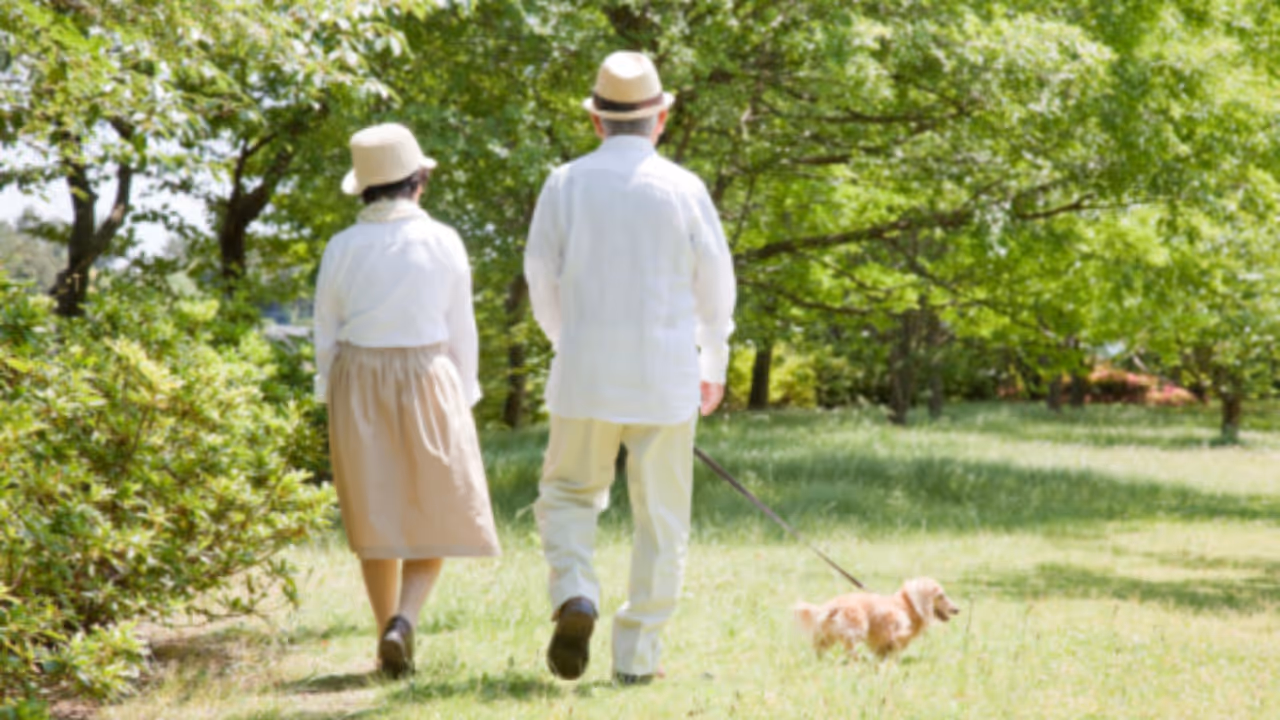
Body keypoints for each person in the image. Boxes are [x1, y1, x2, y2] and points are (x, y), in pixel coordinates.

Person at [524, 51, 737, 685]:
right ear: (661, 118)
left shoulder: (564, 183)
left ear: (596, 122)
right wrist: (714, 357)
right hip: (666, 374)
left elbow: (540, 277)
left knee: (567, 494)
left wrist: (569, 339)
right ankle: (637, 658)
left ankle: (575, 593)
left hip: (585, 371)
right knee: (662, 520)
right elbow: (716, 286)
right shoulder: (684, 188)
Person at [314, 123, 501, 678]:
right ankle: (406, 620)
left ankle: (383, 635)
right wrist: (465, 394)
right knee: (435, 506)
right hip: (427, 369)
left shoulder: (342, 246)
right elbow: (460, 326)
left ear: (365, 188)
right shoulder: (443, 240)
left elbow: (326, 329)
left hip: (358, 376)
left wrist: (331, 395)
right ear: (418, 181)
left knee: (376, 513)